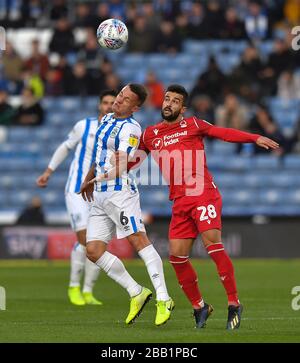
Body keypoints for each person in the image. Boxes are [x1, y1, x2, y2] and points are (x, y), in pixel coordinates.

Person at [126, 84, 279, 330]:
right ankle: (200, 306)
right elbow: (133, 162)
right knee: (177, 257)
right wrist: (108, 170)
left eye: (175, 101)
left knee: (212, 244)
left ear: (182, 108)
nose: (169, 103)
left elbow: (224, 133)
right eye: (167, 99)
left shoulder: (194, 125)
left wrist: (253, 137)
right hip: (179, 201)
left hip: (203, 194)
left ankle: (234, 303)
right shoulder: (149, 135)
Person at [80, 84, 174, 326]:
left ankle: (164, 298)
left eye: (125, 99)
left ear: (136, 106)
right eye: (120, 94)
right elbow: (99, 153)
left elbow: (122, 164)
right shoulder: (108, 118)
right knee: (92, 251)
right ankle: (136, 291)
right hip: (100, 195)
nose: (119, 99)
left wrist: (100, 177)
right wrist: (90, 177)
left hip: (120, 192)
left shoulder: (131, 129)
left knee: (138, 240)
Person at [36, 90, 117, 306]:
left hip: (99, 192)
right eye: (105, 102)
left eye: (112, 102)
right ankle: (74, 286)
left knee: (96, 243)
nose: (109, 106)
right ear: (99, 105)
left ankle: (88, 291)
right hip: (76, 190)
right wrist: (48, 171)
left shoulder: (118, 131)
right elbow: (65, 147)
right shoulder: (84, 126)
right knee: (84, 238)